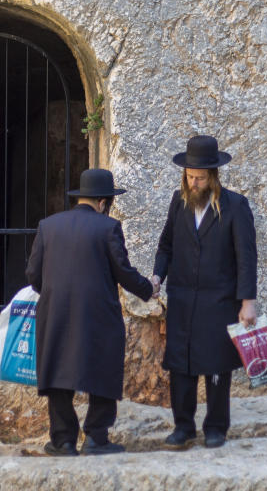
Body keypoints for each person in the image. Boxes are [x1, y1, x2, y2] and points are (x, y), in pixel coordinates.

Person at [26, 168, 160, 456]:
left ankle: (62, 440)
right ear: (103, 202)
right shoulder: (108, 228)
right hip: (98, 314)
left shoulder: (48, 226)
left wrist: (56, 294)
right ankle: (96, 437)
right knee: (102, 368)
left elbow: (33, 275)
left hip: (56, 313)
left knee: (57, 371)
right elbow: (123, 273)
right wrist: (149, 288)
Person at [153, 135, 258, 449]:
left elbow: (246, 257)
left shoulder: (236, 206)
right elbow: (166, 246)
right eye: (189, 176)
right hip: (183, 299)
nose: (193, 182)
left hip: (219, 300)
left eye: (199, 177)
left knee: (216, 367)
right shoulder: (179, 201)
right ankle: (183, 427)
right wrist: (158, 275)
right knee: (181, 366)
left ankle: (216, 427)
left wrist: (247, 301)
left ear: (213, 175)